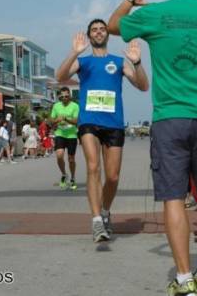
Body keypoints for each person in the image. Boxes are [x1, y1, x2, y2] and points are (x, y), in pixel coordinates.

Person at [108, 0, 197, 295]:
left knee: (174, 198)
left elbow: (113, 25)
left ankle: (183, 279)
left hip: (170, 119)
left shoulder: (155, 13)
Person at [56, 19, 149, 242]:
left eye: (102, 29)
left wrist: (137, 63)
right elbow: (60, 77)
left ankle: (105, 210)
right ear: (89, 36)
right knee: (93, 167)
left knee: (114, 176)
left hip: (114, 124)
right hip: (89, 121)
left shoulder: (118, 62)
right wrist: (73, 52)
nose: (98, 32)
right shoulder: (83, 61)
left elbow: (143, 86)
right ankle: (96, 220)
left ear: (108, 35)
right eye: (94, 30)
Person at [50, 87, 80, 189]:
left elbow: (76, 121)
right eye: (62, 96)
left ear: (70, 96)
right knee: (59, 155)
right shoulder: (56, 106)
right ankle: (64, 174)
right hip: (60, 133)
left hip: (72, 135)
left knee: (71, 159)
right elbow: (51, 121)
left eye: (66, 96)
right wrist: (57, 120)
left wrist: (66, 119)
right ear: (59, 97)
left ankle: (72, 178)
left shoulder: (75, 106)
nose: (64, 98)